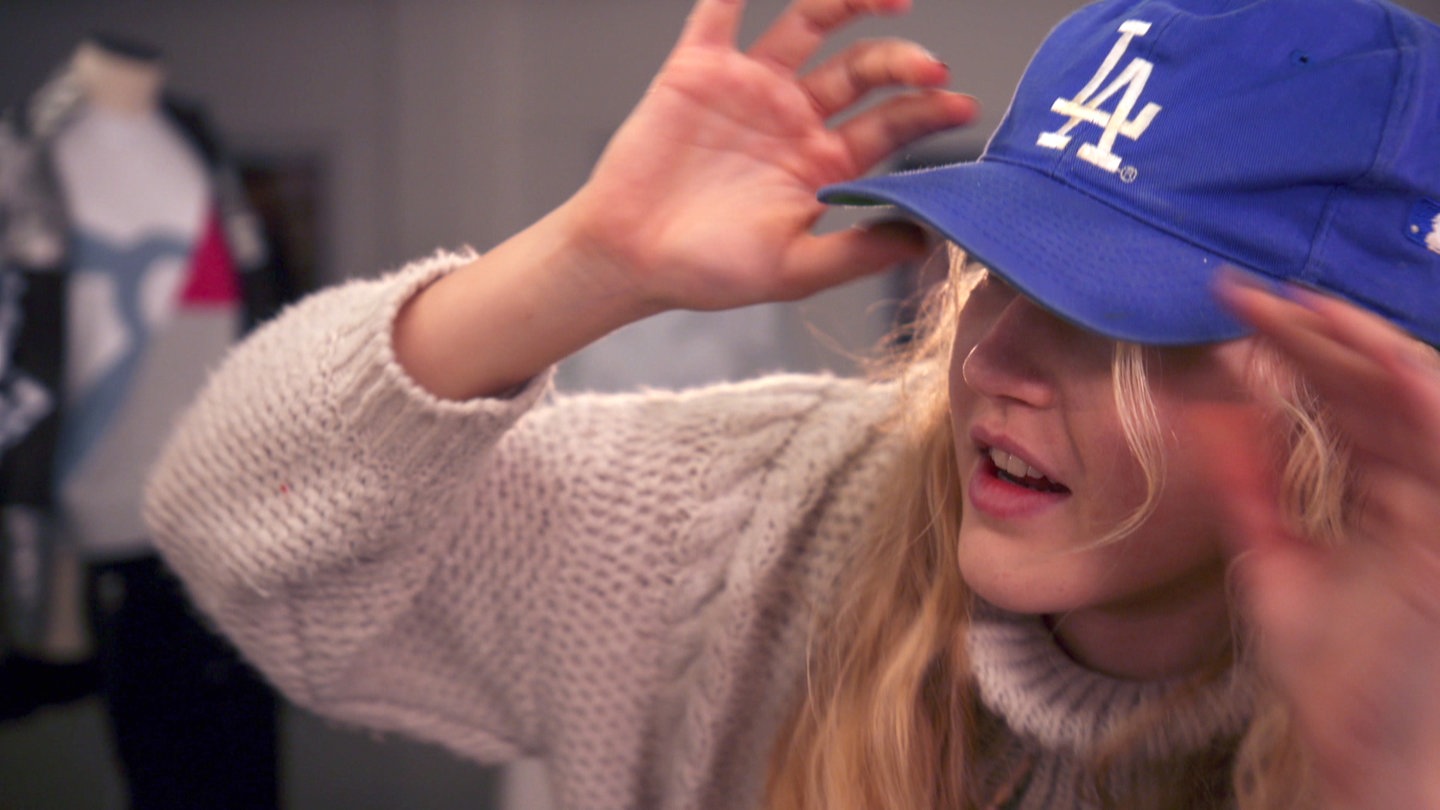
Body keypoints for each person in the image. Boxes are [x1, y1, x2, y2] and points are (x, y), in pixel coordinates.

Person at [144, 0, 1440, 807]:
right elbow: (236, 527)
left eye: (1118, 314)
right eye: (1001, 269)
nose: (995, 359)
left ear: (1362, 392)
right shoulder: (772, 521)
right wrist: (576, 268)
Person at [0, 34, 282, 809]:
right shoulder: (27, 153)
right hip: (112, 523)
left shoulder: (196, 146)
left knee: (250, 772)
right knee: (167, 775)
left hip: (236, 521)